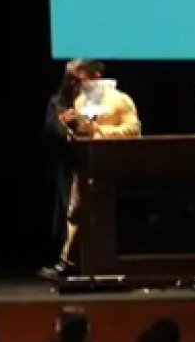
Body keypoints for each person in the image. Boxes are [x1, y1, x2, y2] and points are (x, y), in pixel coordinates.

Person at [39, 60, 142, 281]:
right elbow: (73, 134)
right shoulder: (79, 102)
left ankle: (110, 264)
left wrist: (97, 130)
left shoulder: (120, 100)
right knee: (76, 213)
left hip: (111, 166)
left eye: (80, 77)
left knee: (107, 214)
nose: (76, 83)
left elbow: (132, 130)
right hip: (84, 165)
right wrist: (69, 126)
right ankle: (70, 262)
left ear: (95, 76)